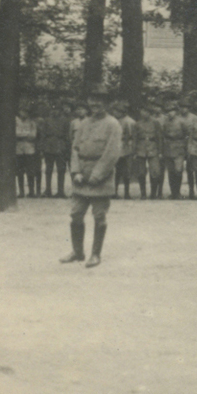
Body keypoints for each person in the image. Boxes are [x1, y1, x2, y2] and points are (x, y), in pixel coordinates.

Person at [61, 88, 122, 268]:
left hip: (100, 177)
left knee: (99, 216)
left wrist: (97, 175)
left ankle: (95, 254)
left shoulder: (113, 124)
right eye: (92, 100)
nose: (95, 104)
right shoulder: (84, 123)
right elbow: (75, 149)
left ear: (108, 104)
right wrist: (76, 171)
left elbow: (112, 153)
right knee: (76, 215)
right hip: (81, 176)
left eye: (100, 101)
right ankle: (78, 252)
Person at [140, 103, 164, 199]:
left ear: (149, 113)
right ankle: (143, 194)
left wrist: (160, 151)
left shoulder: (155, 123)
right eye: (142, 111)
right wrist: (134, 151)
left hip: (153, 148)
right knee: (141, 172)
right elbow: (135, 138)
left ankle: (153, 193)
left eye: (145, 111)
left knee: (154, 171)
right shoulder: (138, 123)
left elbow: (159, 137)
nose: (143, 113)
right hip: (141, 149)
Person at [113, 103, 137, 198]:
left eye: (117, 111)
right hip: (116, 148)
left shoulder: (129, 121)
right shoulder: (114, 121)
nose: (115, 113)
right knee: (116, 172)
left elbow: (133, 136)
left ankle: (127, 193)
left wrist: (132, 149)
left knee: (126, 171)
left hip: (127, 149)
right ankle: (114, 192)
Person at [14, 104, 38, 198]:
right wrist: (25, 134)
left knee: (30, 171)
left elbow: (33, 135)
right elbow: (15, 134)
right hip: (18, 149)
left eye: (26, 112)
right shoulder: (16, 122)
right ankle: (21, 192)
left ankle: (31, 191)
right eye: (22, 111)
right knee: (19, 171)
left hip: (29, 149)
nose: (24, 113)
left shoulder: (32, 123)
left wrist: (21, 134)